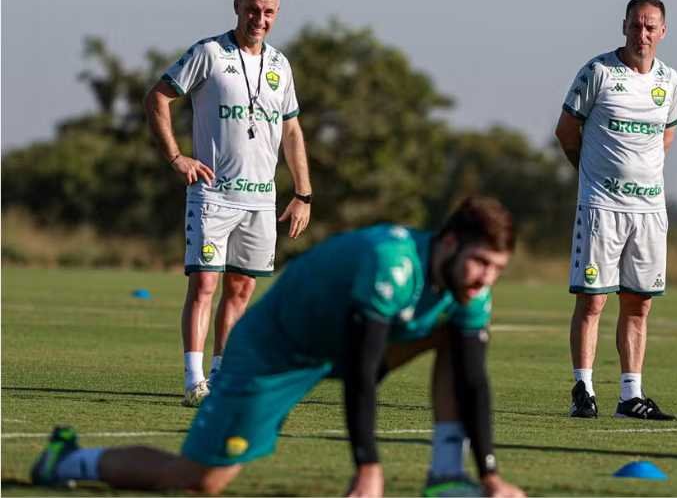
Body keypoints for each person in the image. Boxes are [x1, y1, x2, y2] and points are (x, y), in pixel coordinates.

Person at [30, 196, 526, 497]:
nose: (486, 279)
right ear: (449, 243)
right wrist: (369, 470)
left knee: (454, 333)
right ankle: (68, 460)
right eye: (481, 262)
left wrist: (490, 477)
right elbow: (362, 370)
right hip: (275, 353)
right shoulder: (392, 264)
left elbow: (473, 379)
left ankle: (446, 475)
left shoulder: (469, 290)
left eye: (497, 269)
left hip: (339, 345)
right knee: (199, 479)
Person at [144, 0, 312, 407]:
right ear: (237, 6)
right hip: (213, 195)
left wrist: (303, 194)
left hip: (261, 200)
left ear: (277, 13)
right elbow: (158, 97)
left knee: (240, 290)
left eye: (268, 12)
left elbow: (292, 131)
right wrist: (176, 157)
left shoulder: (280, 65)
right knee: (204, 284)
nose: (260, 18)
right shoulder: (209, 53)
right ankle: (193, 380)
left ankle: (221, 375)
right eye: (252, 9)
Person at [554, 0, 677, 420]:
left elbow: (665, 137)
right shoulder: (599, 72)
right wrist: (590, 173)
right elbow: (566, 131)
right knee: (593, 302)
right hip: (601, 207)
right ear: (624, 26)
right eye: (635, 25)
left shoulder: (670, 81)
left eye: (650, 27)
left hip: (649, 212)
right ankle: (583, 390)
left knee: (638, 304)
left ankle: (630, 396)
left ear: (662, 32)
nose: (642, 34)